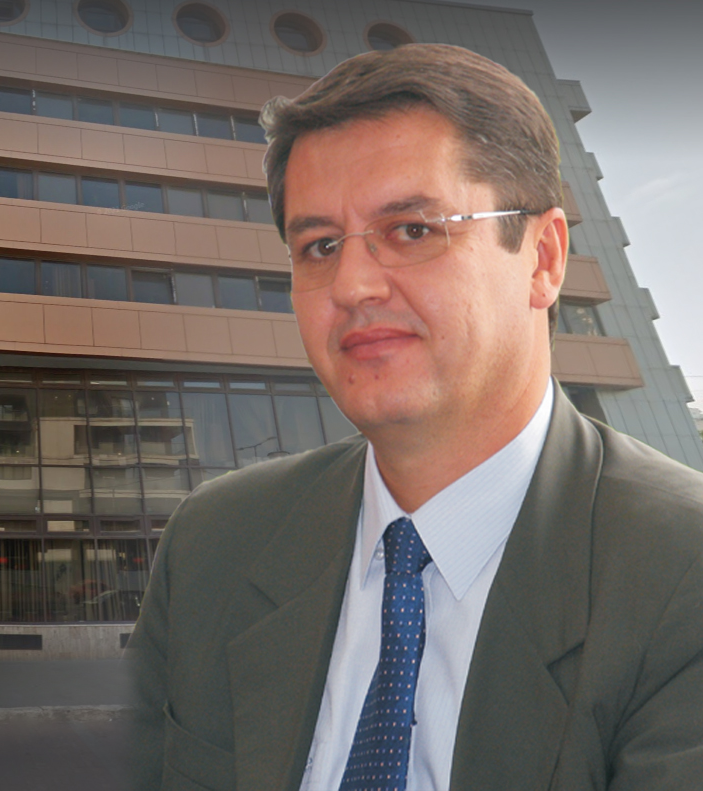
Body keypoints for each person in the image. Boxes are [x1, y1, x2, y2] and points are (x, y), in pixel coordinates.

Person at [129, 43, 703, 791]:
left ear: (542, 259)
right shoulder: (212, 543)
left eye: (412, 230)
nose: (351, 285)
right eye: (319, 245)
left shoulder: (680, 573)